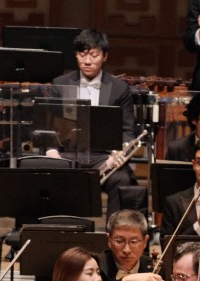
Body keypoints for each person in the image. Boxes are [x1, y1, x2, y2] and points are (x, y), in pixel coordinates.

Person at [47, 29, 137, 214]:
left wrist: (118, 154)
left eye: (94, 55)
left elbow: (128, 131)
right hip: (69, 155)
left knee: (122, 180)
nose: (87, 61)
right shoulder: (60, 84)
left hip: (104, 156)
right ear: (76, 55)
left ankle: (114, 236)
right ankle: (59, 231)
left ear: (104, 56)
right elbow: (49, 125)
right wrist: (51, 150)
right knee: (44, 173)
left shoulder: (119, 89)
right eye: (82, 54)